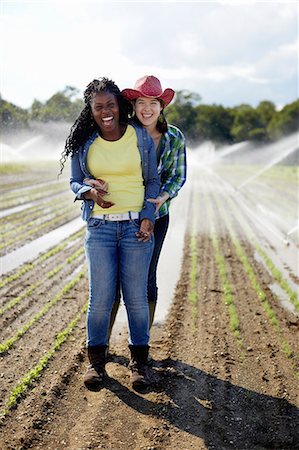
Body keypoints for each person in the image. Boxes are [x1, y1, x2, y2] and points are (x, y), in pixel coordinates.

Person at [59, 77, 160, 390]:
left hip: (135, 229)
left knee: (137, 300)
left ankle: (139, 364)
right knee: (100, 300)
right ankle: (96, 365)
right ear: (91, 110)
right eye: (98, 106)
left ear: (120, 107)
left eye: (110, 105)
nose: (105, 111)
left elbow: (152, 181)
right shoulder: (85, 142)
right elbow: (75, 182)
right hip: (100, 229)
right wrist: (90, 193)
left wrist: (147, 217)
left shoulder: (140, 137)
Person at [85, 75, 187, 338]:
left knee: (146, 278)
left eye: (153, 102)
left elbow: (178, 175)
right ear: (133, 105)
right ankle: (103, 342)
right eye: (141, 102)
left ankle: (142, 342)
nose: (147, 109)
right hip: (119, 215)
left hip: (155, 216)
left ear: (161, 106)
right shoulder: (124, 132)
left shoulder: (173, 137)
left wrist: (164, 196)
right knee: (111, 283)